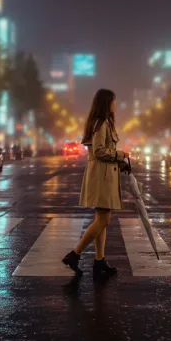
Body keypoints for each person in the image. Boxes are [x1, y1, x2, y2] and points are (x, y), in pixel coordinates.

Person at [62, 89, 128, 277]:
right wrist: (120, 155)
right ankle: (75, 254)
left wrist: (120, 163)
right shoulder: (101, 124)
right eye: (114, 101)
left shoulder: (104, 122)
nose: (115, 104)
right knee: (104, 220)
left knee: (102, 220)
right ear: (107, 103)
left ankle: (99, 261)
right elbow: (99, 151)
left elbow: (103, 150)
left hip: (103, 175)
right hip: (102, 177)